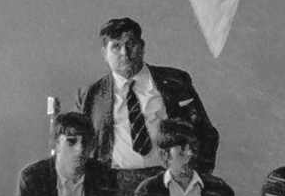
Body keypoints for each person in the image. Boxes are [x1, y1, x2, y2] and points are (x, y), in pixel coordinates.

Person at [81, 17, 220, 178]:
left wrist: (197, 175)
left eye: (130, 44)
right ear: (104, 53)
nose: (124, 53)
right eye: (116, 47)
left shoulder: (176, 82)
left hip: (167, 180)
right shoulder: (93, 95)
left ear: (142, 47)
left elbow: (206, 132)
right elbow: (83, 144)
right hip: (114, 184)